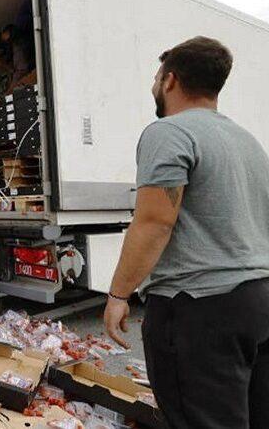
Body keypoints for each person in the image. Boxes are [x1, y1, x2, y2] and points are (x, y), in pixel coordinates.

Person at [103, 37, 269, 428]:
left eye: (156, 77)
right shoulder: (248, 142)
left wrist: (118, 295)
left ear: (171, 80)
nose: (154, 85)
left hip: (200, 309)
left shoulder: (168, 132)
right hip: (258, 302)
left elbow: (155, 221)